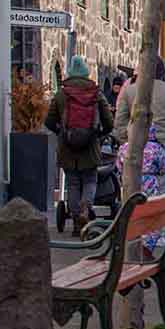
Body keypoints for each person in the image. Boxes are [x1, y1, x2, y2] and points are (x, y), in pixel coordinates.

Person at [45, 55, 115, 232]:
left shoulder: (62, 94)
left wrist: (62, 133)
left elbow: (49, 121)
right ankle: (86, 207)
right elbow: (109, 122)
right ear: (86, 73)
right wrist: (99, 136)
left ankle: (76, 220)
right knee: (90, 179)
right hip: (90, 145)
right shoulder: (96, 93)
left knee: (73, 182)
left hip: (67, 147)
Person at [114, 58, 165, 193]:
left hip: (135, 144)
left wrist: (125, 139)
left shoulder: (129, 91)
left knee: (134, 188)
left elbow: (120, 120)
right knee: (164, 189)